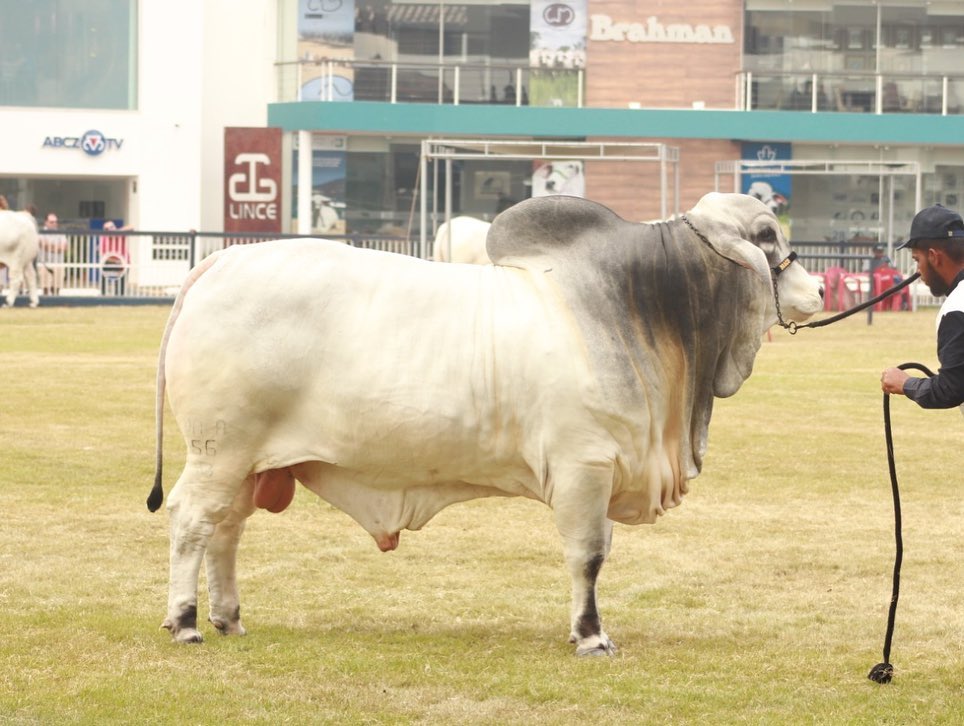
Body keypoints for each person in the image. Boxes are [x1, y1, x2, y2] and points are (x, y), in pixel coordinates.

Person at [881, 204, 964, 413]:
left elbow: (951, 389)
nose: (918, 271)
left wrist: (905, 383)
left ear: (934, 257)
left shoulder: (956, 307)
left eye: (917, 260)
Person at [38, 211, 68, 296]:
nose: (54, 224)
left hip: (58, 263)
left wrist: (51, 247)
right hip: (44, 263)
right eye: (51, 222)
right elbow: (43, 245)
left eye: (55, 222)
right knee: (45, 287)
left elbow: (64, 247)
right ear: (46, 222)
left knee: (57, 287)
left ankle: (56, 303)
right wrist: (57, 248)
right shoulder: (41, 232)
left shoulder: (60, 233)